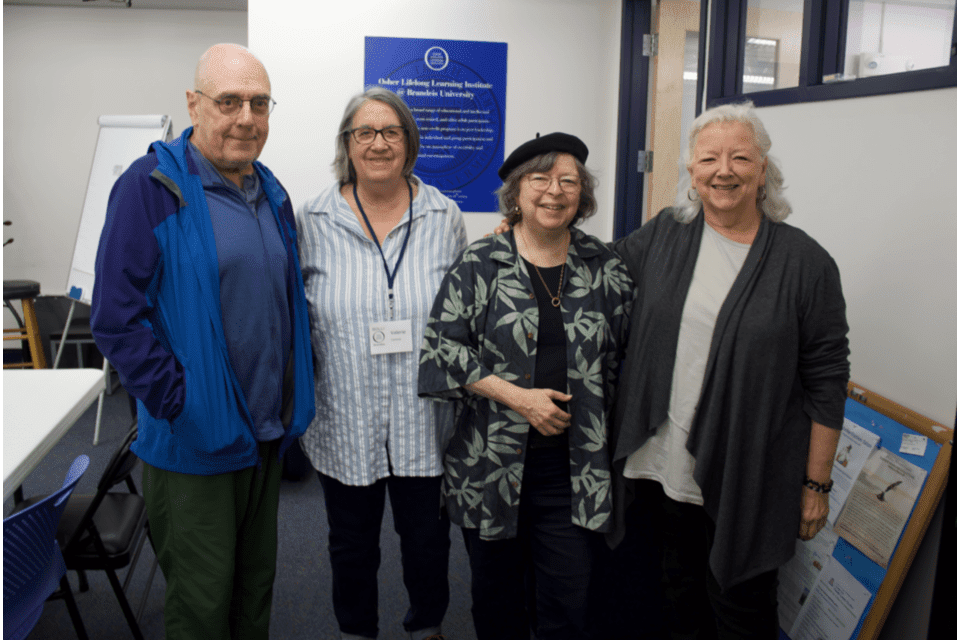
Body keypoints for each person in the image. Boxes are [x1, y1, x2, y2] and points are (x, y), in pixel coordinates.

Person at [90, 44, 315, 639]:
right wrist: (181, 403)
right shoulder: (151, 187)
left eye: (259, 103)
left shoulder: (270, 190)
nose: (247, 117)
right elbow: (116, 318)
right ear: (194, 104)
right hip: (196, 443)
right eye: (229, 101)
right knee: (201, 605)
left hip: (265, 436)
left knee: (252, 593)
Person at [610, 102, 850, 639]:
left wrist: (816, 483)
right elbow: (597, 268)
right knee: (673, 593)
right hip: (662, 460)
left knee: (740, 609)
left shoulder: (806, 264)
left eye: (740, 157)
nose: (724, 170)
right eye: (709, 159)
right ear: (691, 173)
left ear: (763, 169)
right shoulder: (665, 234)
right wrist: (524, 232)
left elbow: (828, 380)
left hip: (749, 474)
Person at [419, 133, 634, 640]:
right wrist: (518, 398)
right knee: (497, 602)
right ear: (517, 193)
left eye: (568, 181)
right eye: (540, 179)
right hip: (490, 465)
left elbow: (627, 355)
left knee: (572, 600)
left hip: (576, 470)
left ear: (583, 195)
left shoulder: (606, 267)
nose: (554, 192)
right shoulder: (480, 263)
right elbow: (441, 350)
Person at [296, 87, 466, 640]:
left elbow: (466, 314)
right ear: (347, 143)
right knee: (350, 544)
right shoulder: (312, 220)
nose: (378, 144)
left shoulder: (445, 216)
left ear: (409, 143)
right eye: (364, 133)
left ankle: (427, 626)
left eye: (391, 132)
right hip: (345, 418)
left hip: (425, 421)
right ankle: (356, 631)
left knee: (427, 540)